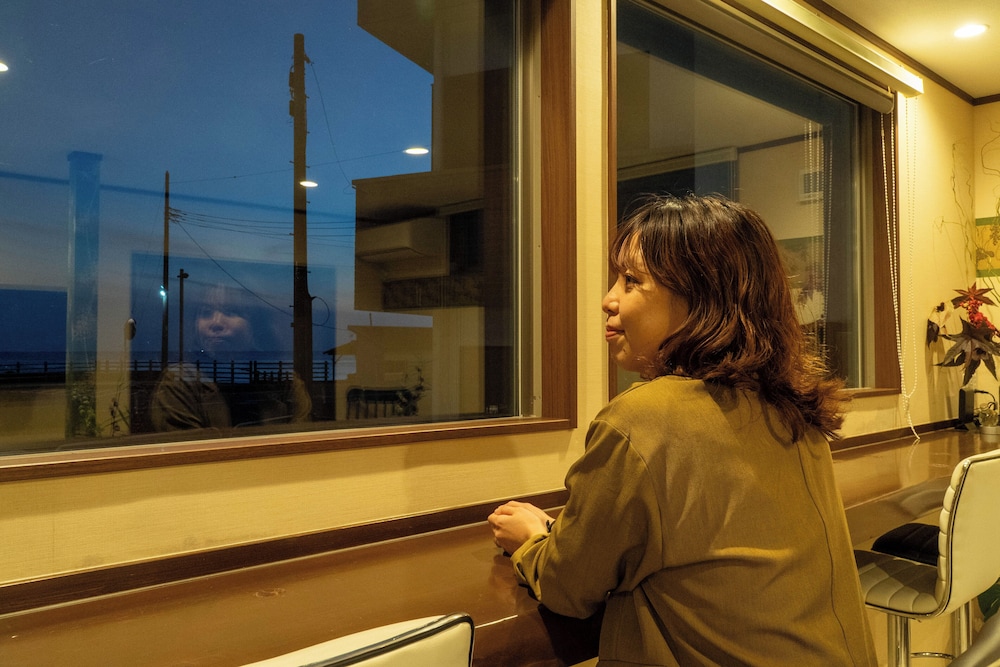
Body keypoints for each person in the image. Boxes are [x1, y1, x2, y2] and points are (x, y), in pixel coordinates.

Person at [488, 194, 877, 666]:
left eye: (631, 281)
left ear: (701, 300)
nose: (608, 300)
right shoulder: (788, 404)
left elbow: (570, 586)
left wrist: (532, 540)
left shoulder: (643, 418)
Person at [151, 284, 311, 431]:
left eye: (231, 312)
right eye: (206, 313)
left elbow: (301, 444)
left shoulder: (284, 381)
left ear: (255, 325)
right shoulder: (179, 382)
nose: (216, 323)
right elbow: (191, 450)